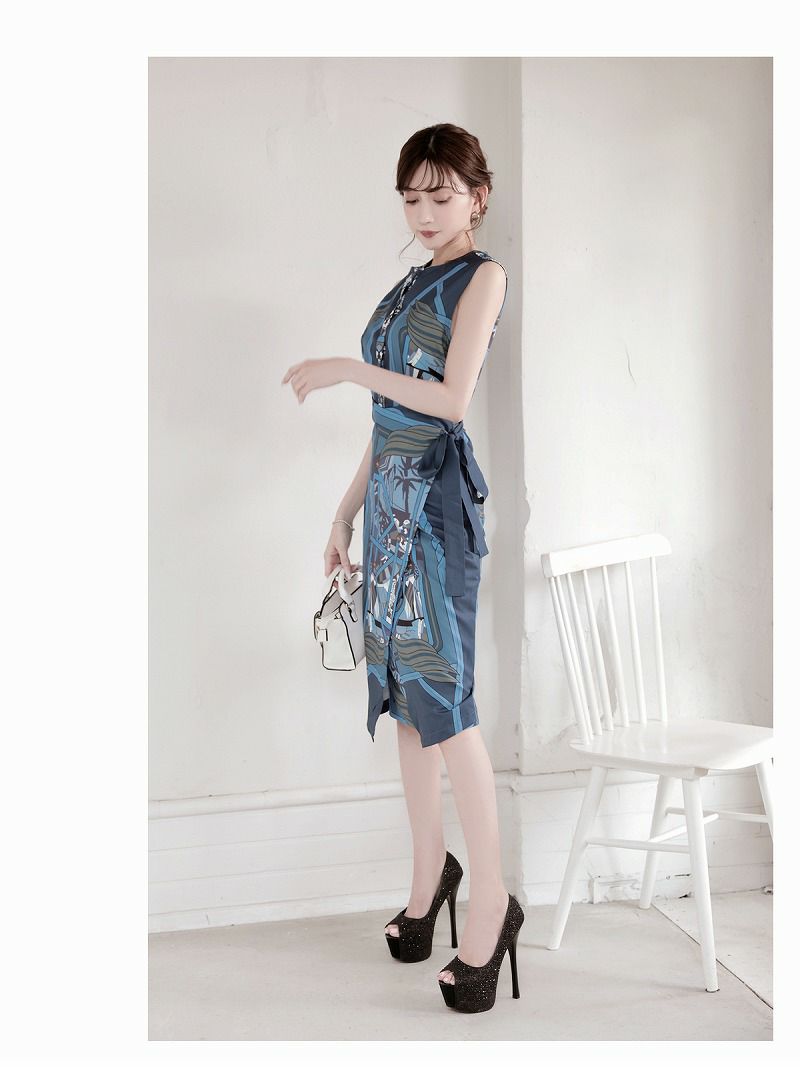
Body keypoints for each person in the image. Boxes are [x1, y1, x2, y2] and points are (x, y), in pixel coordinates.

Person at [282, 123, 524, 1013]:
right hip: (387, 513)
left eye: (441, 195)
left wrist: (350, 368)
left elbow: (449, 402)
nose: (424, 212)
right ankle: (429, 880)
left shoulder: (482, 277)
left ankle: (492, 902)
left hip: (435, 516)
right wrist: (344, 510)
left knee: (447, 707)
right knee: (407, 707)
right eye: (412, 198)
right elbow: (389, 421)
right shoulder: (409, 284)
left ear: (477, 196)